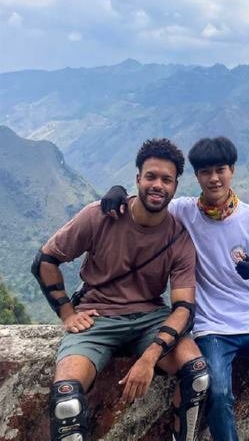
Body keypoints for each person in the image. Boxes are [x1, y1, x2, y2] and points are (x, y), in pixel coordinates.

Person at [102, 136, 249, 441]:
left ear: (232, 170)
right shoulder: (185, 211)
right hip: (212, 327)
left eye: (220, 170)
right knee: (218, 392)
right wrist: (119, 193)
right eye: (206, 172)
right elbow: (151, 201)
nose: (214, 178)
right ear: (197, 176)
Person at [32, 138, 209, 441]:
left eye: (166, 179)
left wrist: (149, 357)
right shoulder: (100, 215)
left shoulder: (178, 237)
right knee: (66, 401)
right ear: (138, 179)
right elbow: (45, 261)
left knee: (197, 375)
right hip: (97, 317)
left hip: (150, 319)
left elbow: (184, 308)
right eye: (151, 176)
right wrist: (67, 313)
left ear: (175, 186)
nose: (158, 185)